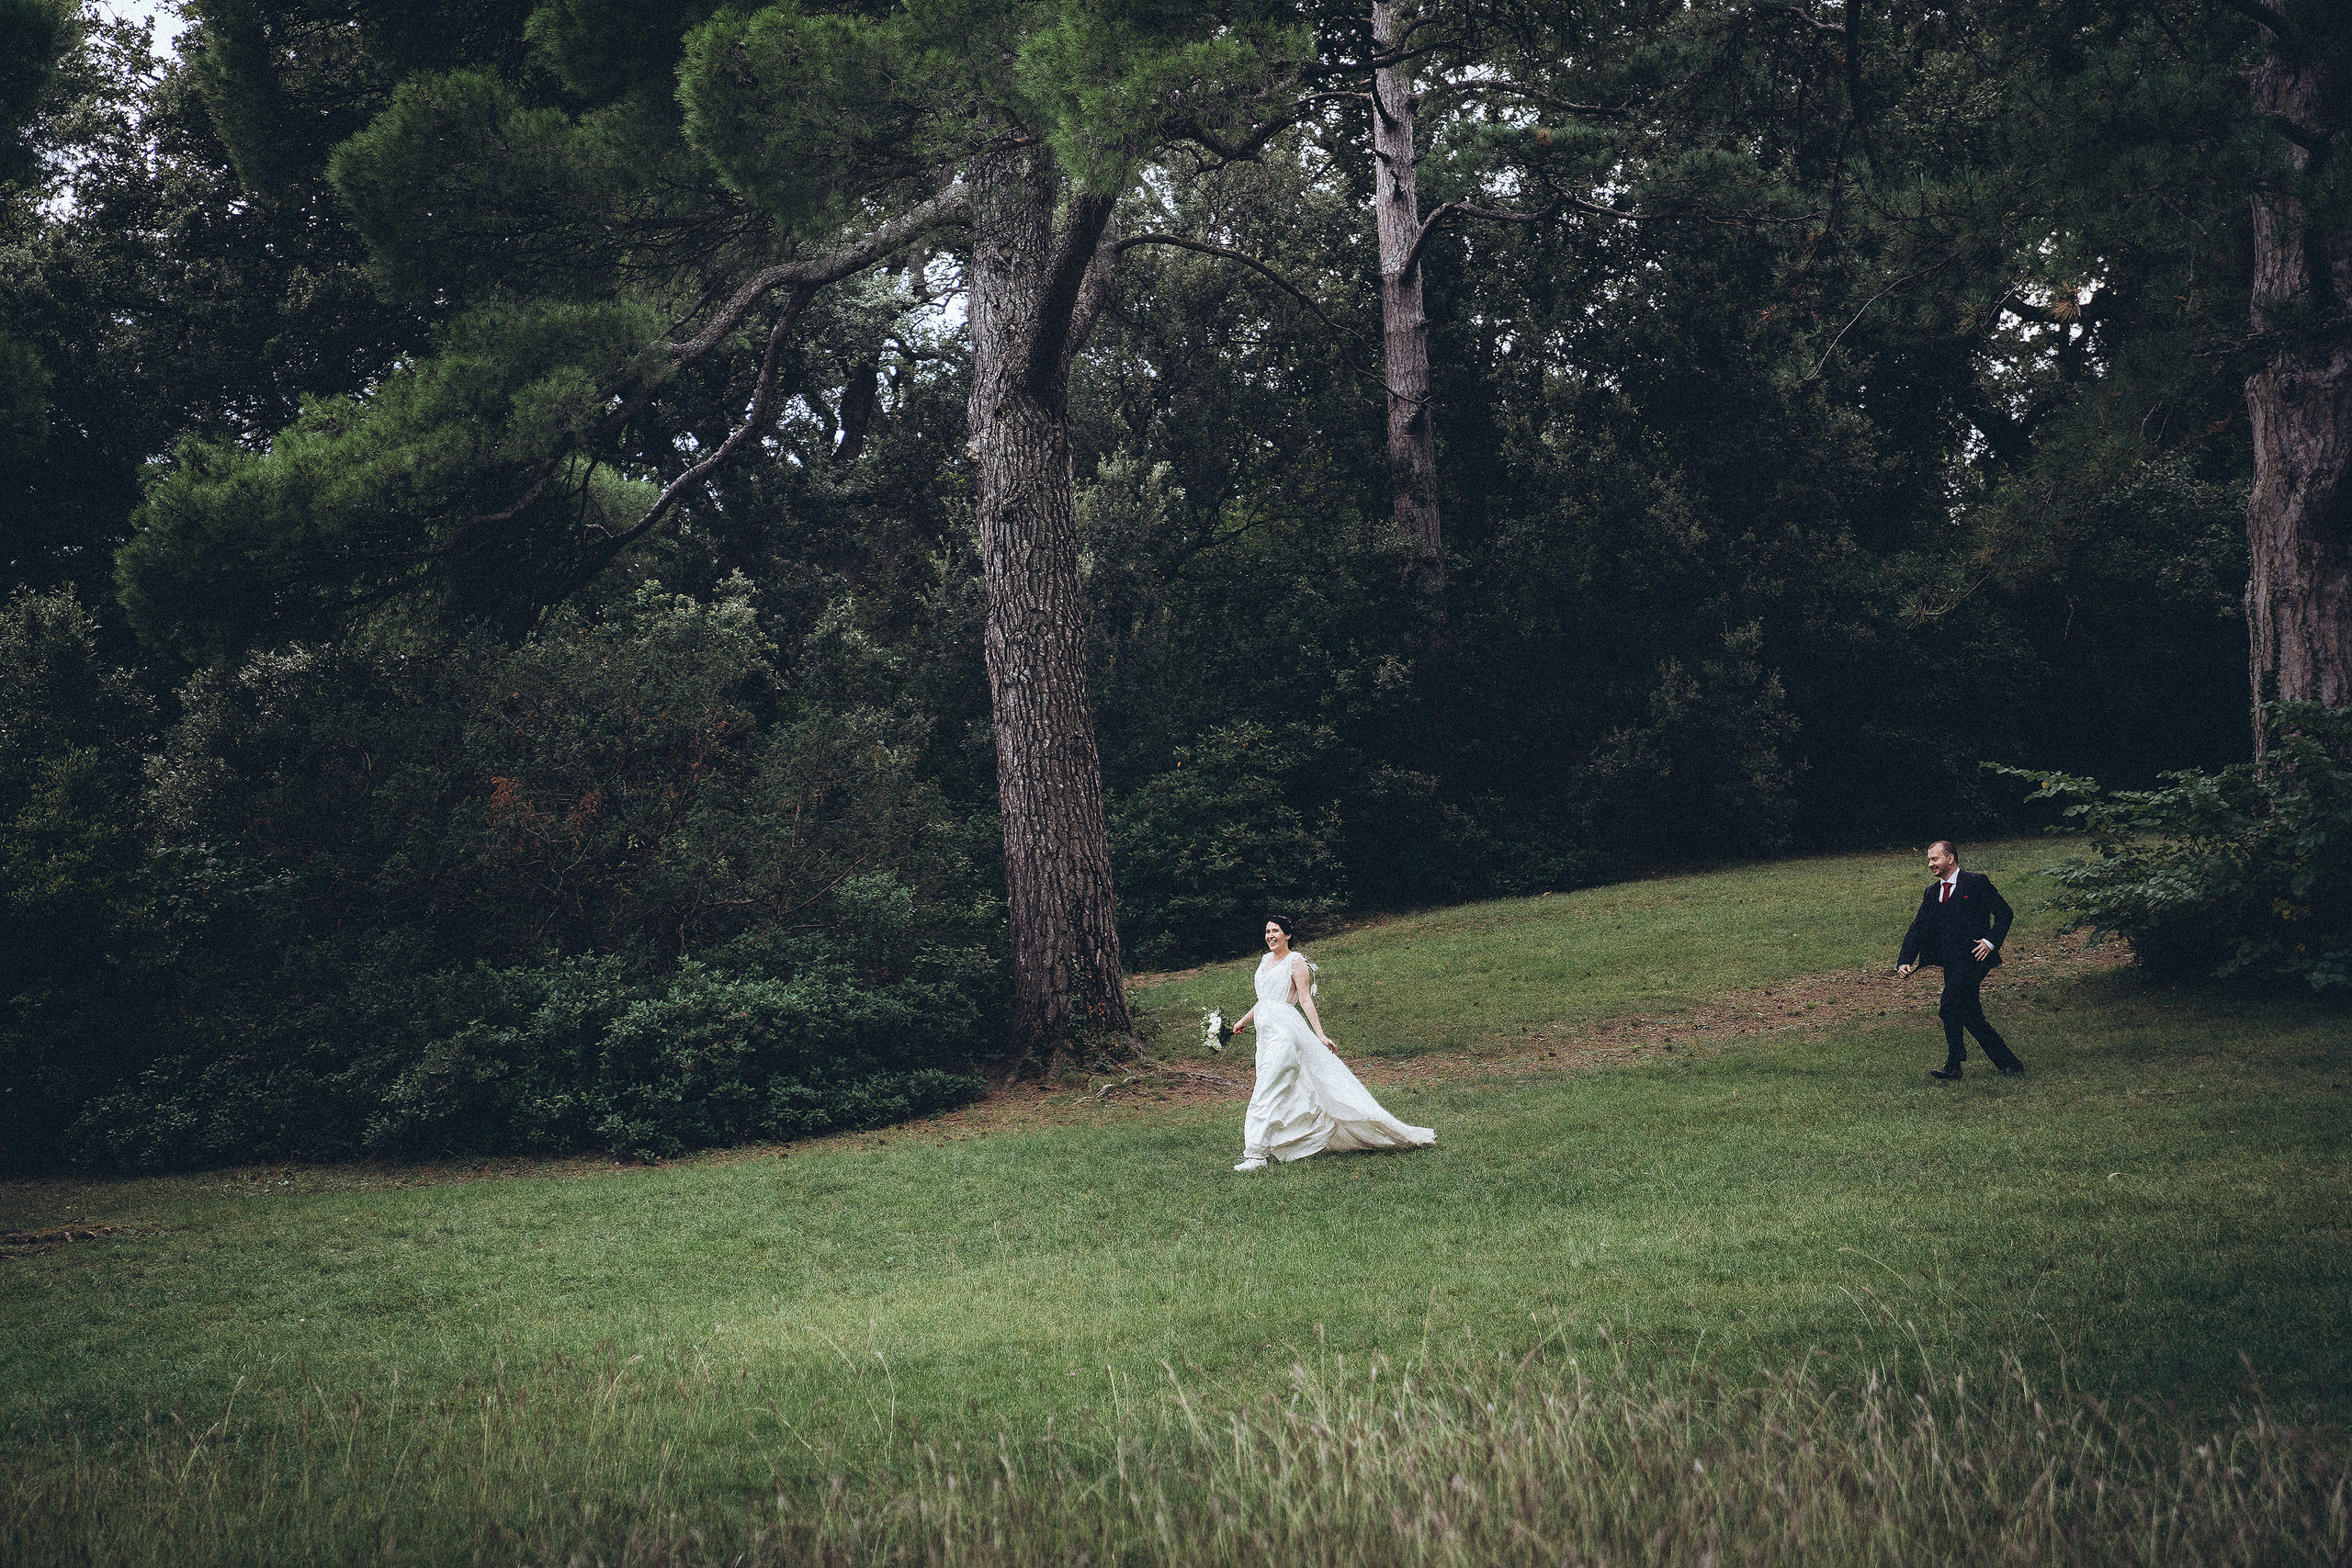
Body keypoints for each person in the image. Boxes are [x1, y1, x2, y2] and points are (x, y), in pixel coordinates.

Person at [1229, 916, 1436, 1171]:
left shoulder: (1295, 962)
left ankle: (1256, 1155)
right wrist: (1242, 1022)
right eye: (1267, 931)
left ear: (1288, 935)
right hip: (1265, 1037)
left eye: (1275, 931)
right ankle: (1282, 1141)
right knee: (1275, 1090)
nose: (1270, 935)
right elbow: (1263, 1001)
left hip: (1285, 1035)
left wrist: (1320, 1035)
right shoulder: (1264, 961)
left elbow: (1305, 1000)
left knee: (1265, 1092)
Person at [1896, 840, 2025, 1080]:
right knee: (1970, 1015)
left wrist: (1990, 941)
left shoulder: (1976, 883)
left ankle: (1954, 1063)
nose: (1930, 864)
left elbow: (2005, 913)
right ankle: (2009, 1063)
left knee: (1948, 1004)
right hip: (1951, 963)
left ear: (1950, 858)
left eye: (1934, 859)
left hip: (1975, 960)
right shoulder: (1932, 892)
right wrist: (1905, 960)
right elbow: (1918, 928)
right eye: (1928, 860)